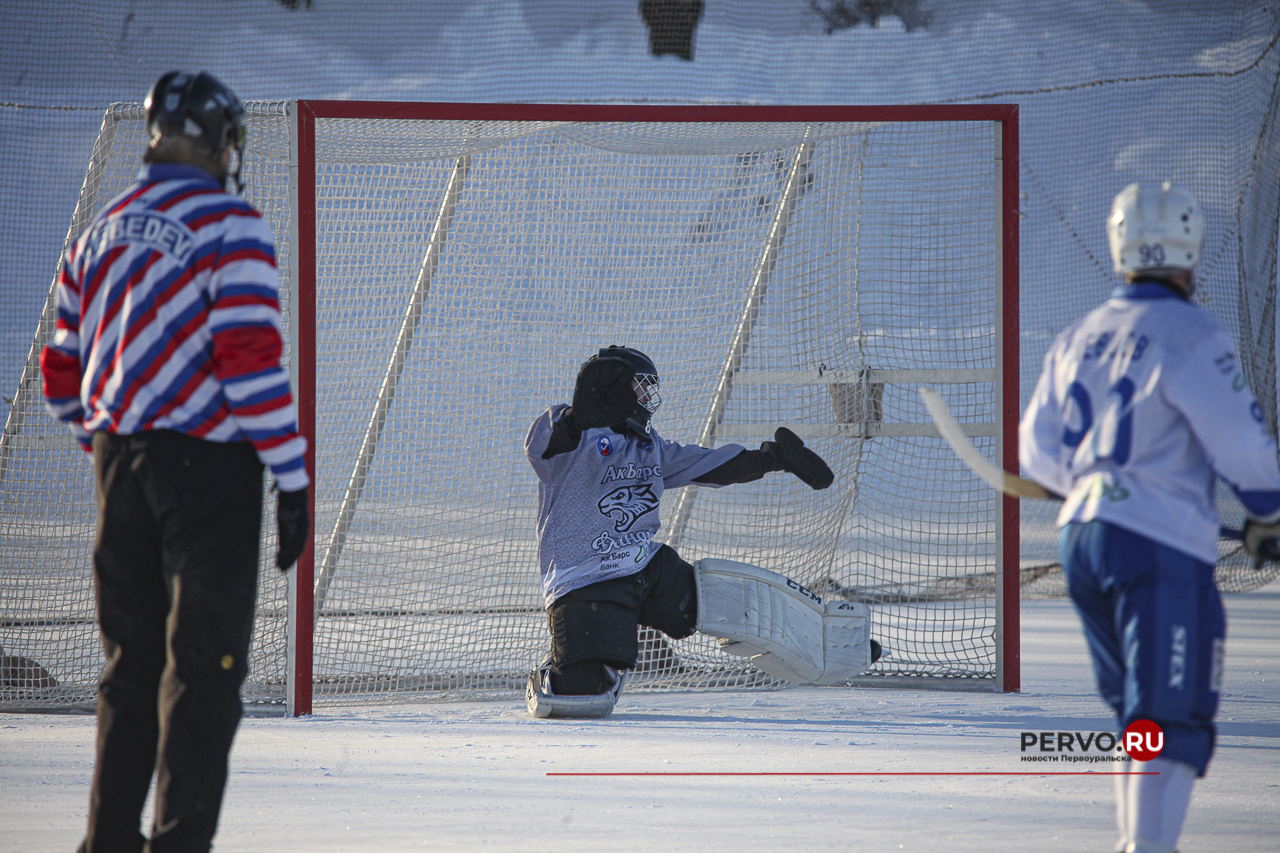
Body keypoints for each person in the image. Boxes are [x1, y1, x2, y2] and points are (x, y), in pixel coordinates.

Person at [40, 71, 311, 853]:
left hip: (118, 461)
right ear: (222, 143)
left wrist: (114, 448)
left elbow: (64, 374)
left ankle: (105, 840)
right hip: (209, 471)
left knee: (129, 668)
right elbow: (252, 368)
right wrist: (291, 478)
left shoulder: (102, 228)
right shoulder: (233, 225)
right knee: (202, 670)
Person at [1018, 181, 1280, 853]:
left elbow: (1036, 454)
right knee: (1172, 712)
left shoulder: (1081, 334)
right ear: (1189, 253)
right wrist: (1268, 511)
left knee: (1140, 713)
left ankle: (1139, 839)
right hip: (1157, 548)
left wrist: (1088, 487)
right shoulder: (1192, 331)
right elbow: (1243, 445)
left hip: (1083, 538)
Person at [523, 345, 880, 718]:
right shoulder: (570, 437)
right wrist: (575, 421)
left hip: (645, 566)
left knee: (731, 603)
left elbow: (707, 465)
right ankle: (569, 664)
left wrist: (771, 459)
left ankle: (833, 641)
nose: (649, 398)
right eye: (642, 388)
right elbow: (543, 447)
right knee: (582, 698)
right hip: (583, 579)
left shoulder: (649, 447)